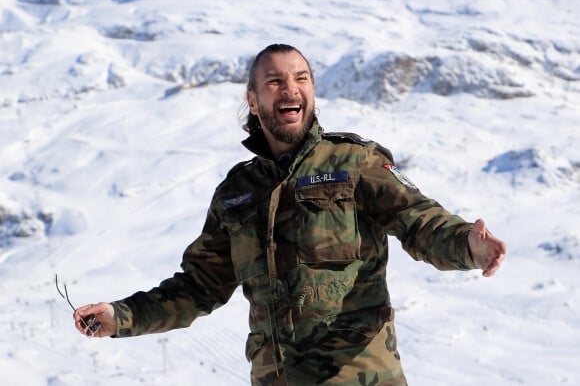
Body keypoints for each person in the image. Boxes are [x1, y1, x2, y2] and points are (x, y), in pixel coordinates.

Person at [74, 43, 506, 385]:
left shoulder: (354, 162)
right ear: (254, 99)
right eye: (275, 81)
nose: (290, 88)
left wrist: (468, 244)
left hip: (358, 378)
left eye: (301, 78)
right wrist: (120, 317)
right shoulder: (236, 194)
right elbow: (199, 287)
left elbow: (419, 220)